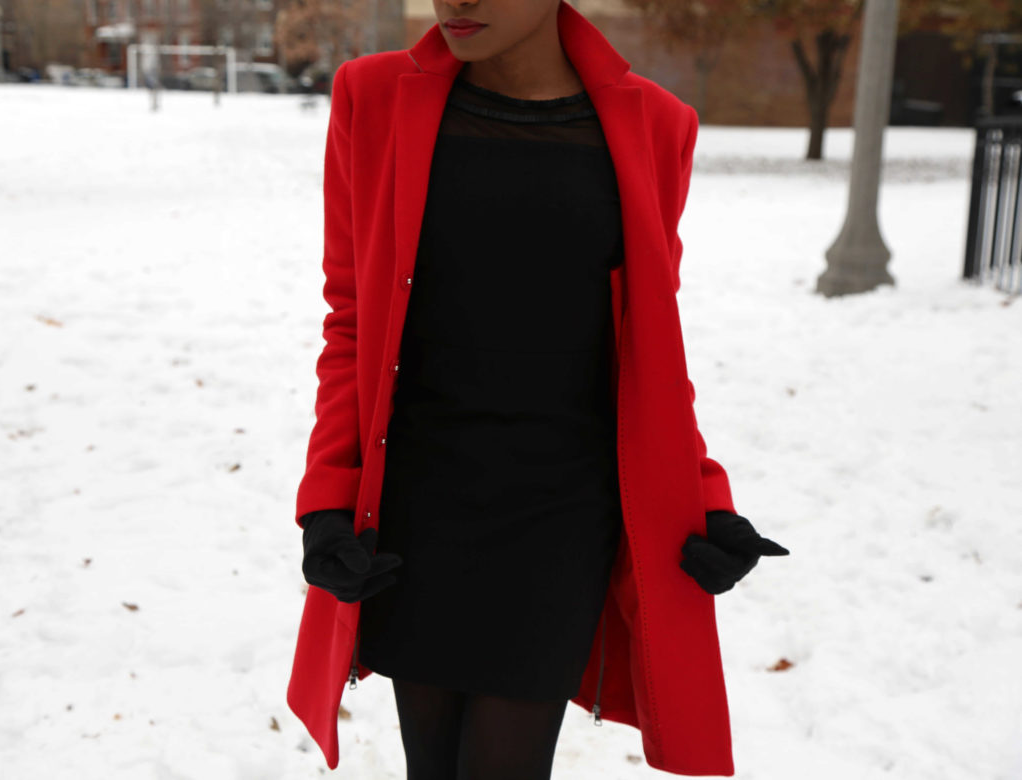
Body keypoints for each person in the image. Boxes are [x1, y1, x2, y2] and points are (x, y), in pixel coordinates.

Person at [290, 2, 790, 778]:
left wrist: (704, 496)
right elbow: (350, 318)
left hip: (559, 513)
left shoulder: (657, 126)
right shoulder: (374, 97)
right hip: (418, 504)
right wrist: (327, 499)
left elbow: (648, 346)